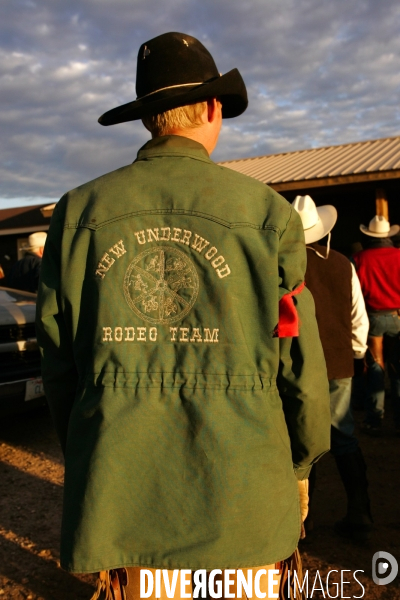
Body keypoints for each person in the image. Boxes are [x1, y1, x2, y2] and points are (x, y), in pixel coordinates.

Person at [36, 32, 330, 599]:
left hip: (125, 507)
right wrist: (298, 464)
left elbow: (59, 364)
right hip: (245, 504)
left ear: (149, 119)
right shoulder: (267, 216)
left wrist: (95, 455)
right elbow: (301, 369)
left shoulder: (78, 213)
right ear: (214, 107)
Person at [292, 195, 372, 542]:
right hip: (337, 361)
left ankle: (299, 522)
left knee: (298, 436)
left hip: (297, 364)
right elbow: (357, 314)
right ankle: (360, 511)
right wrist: (357, 352)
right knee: (343, 433)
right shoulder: (342, 264)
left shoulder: (280, 266)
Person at [353, 214, 400, 436]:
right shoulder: (399, 256)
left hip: (372, 317)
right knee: (398, 369)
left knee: (376, 368)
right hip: (398, 316)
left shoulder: (359, 259)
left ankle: (374, 420)